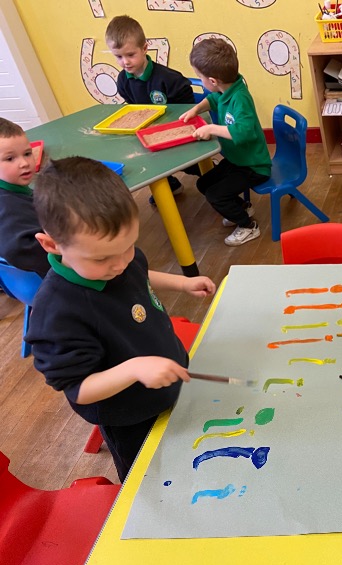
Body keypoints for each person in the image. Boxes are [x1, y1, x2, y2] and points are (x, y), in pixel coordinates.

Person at [25, 157, 216, 481]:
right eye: (102, 258)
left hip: (166, 378)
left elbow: (138, 273)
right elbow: (78, 389)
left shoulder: (119, 257)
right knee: (151, 480)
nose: (120, 264)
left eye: (129, 247)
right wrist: (134, 368)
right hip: (131, 417)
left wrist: (181, 283)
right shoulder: (57, 315)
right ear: (52, 245)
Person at [180, 38, 272, 246]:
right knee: (203, 183)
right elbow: (213, 99)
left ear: (213, 81)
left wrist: (211, 128)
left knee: (215, 195)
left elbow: (243, 132)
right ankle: (242, 207)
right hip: (236, 160)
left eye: (200, 77)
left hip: (254, 166)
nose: (200, 80)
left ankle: (248, 226)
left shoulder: (240, 98)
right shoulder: (226, 89)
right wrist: (196, 109)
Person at [105, 14, 195, 198]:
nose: (125, 62)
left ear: (145, 48)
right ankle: (171, 185)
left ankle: (215, 177)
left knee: (191, 165)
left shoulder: (169, 79)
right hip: (148, 133)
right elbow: (133, 108)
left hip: (175, 131)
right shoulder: (123, 80)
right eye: (118, 57)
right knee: (144, 157)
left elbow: (187, 105)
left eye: (130, 55)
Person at [0, 118, 50, 278]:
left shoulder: (14, 190)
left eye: (27, 154)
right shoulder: (8, 207)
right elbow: (15, 249)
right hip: (51, 278)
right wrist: (66, 256)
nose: (24, 163)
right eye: (10, 158)